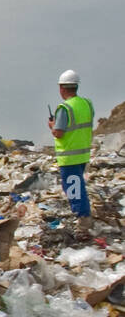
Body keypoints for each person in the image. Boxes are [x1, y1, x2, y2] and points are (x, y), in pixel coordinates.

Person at [48, 69, 94, 222]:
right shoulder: (86, 104)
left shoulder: (64, 108)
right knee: (78, 187)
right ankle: (83, 215)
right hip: (83, 155)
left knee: (74, 190)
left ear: (62, 88)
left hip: (69, 157)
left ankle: (83, 220)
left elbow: (59, 132)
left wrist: (52, 126)